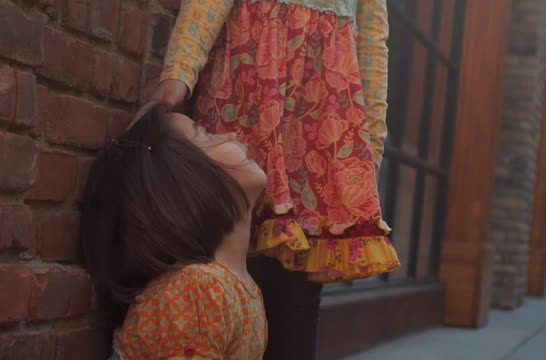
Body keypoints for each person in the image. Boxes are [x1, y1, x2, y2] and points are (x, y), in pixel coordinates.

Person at [149, 1, 399, 358]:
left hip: (321, 120)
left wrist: (369, 147)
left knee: (299, 288)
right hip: (249, 95)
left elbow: (374, 44)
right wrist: (178, 73)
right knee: (222, 245)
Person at [79, 104, 268, 359]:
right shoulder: (196, 288)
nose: (231, 136)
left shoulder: (239, 287)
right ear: (183, 181)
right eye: (206, 135)